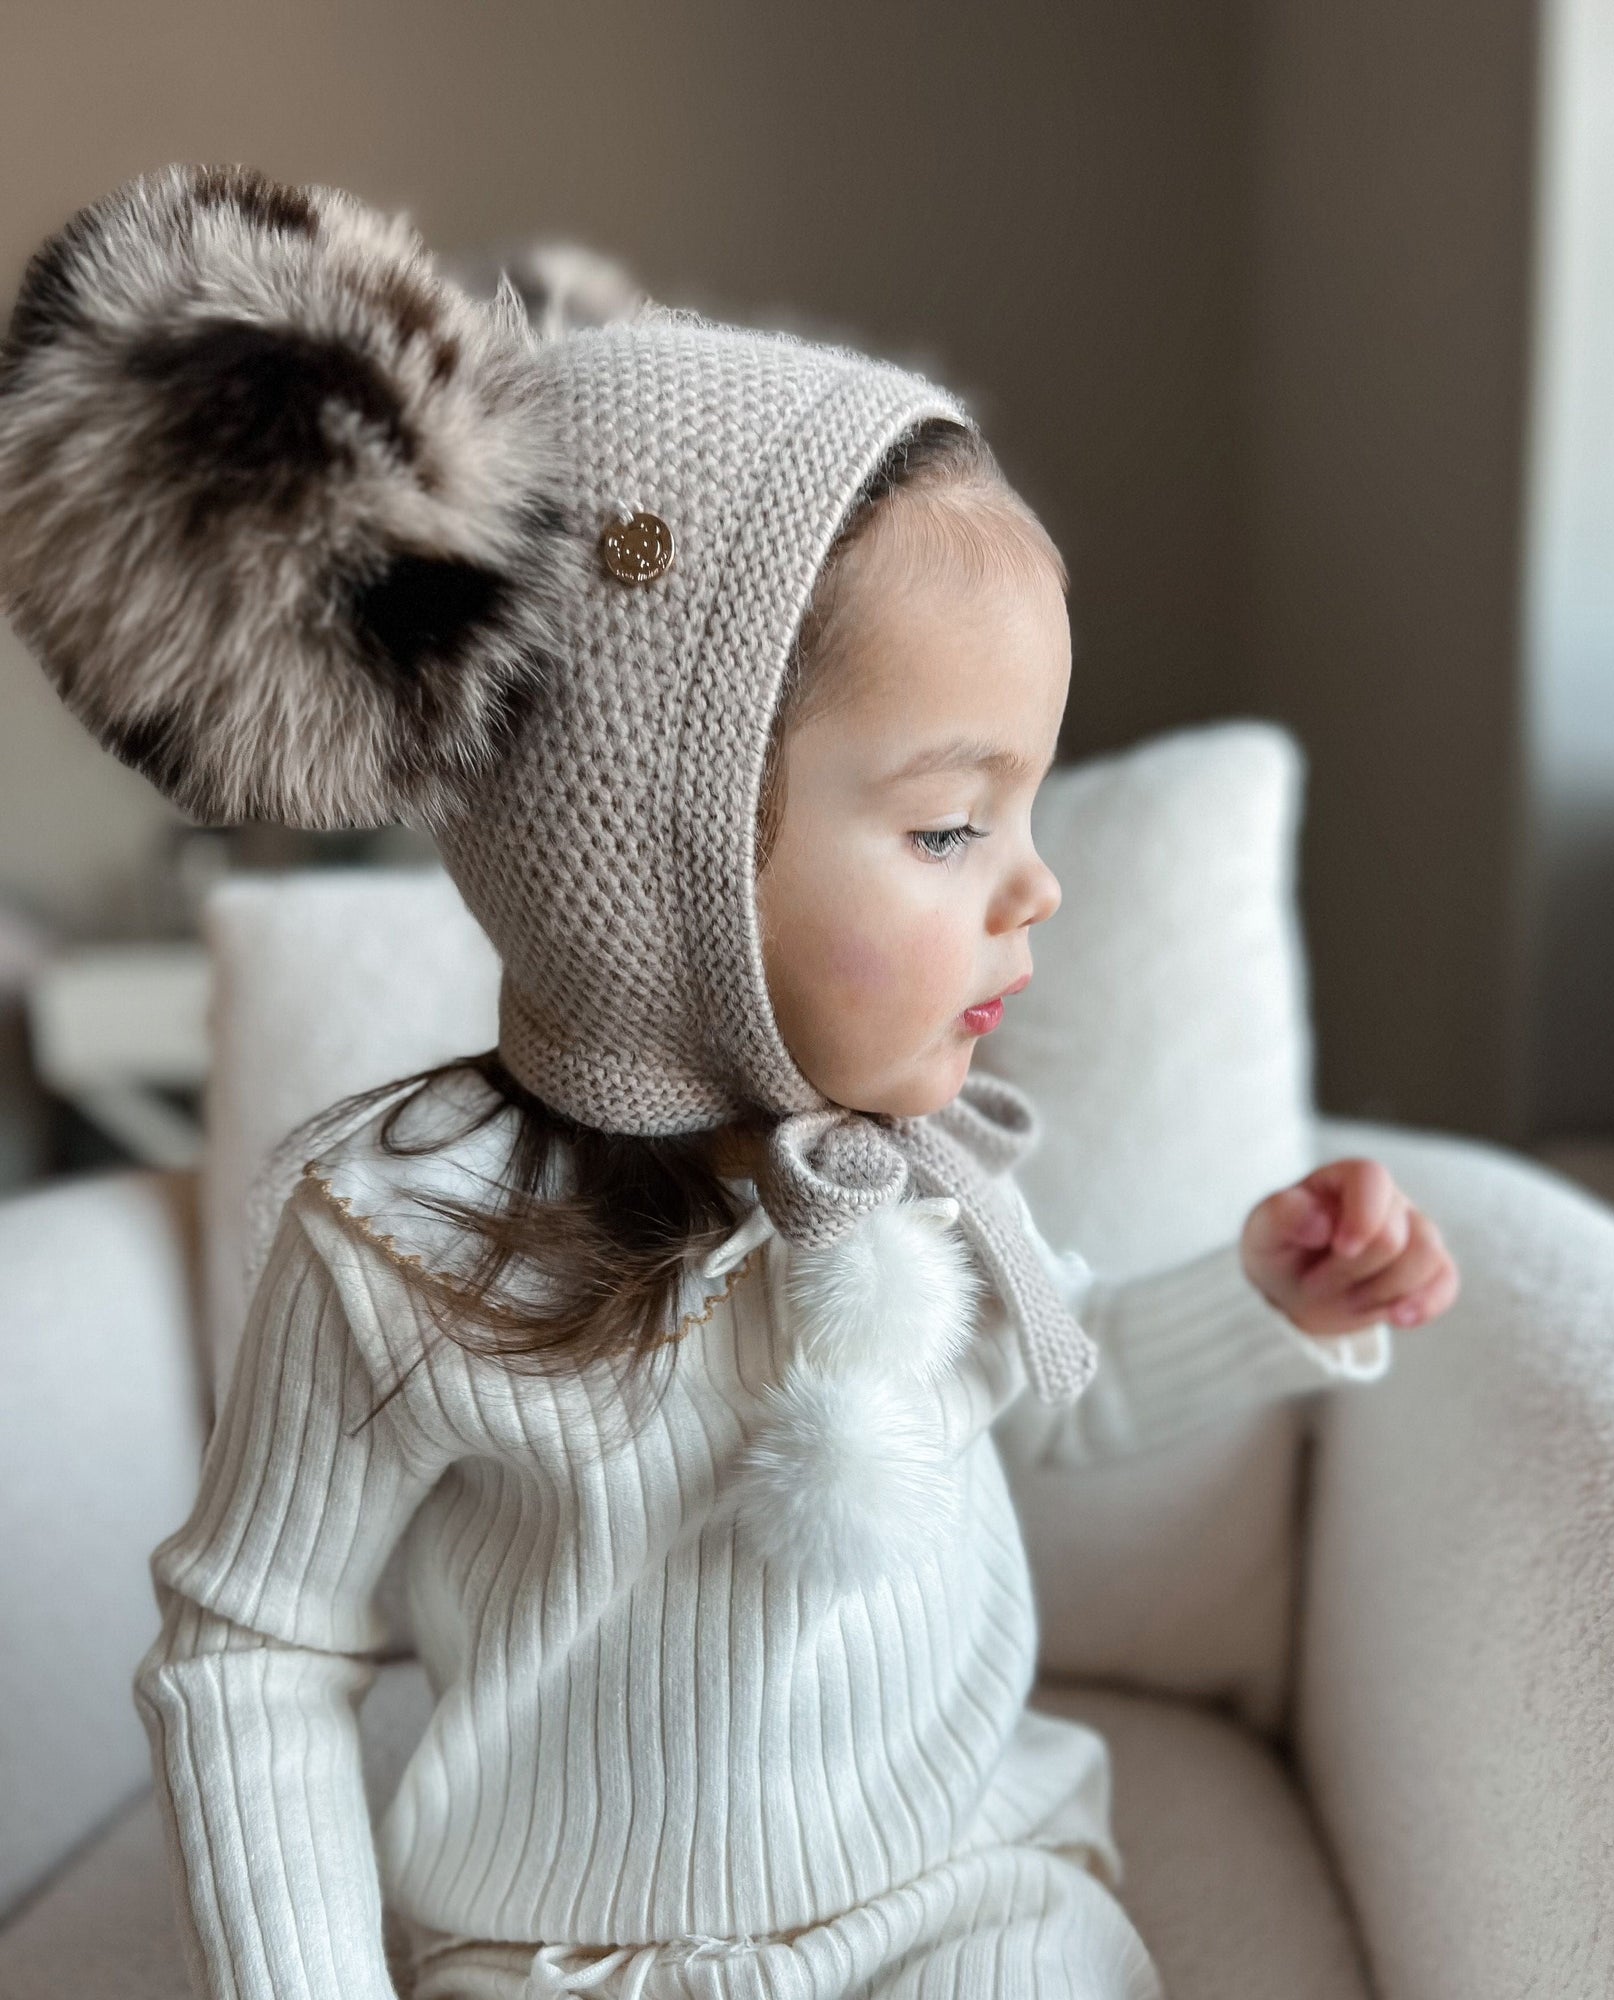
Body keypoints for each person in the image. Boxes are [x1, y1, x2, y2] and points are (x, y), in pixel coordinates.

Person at [0, 164, 1459, 2000]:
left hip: (958, 1891)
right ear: (659, 875)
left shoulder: (916, 1174)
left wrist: (1260, 1303)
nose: (1035, 886)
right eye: (947, 826)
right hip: (561, 1951)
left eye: (1023, 806)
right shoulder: (403, 1242)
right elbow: (252, 1652)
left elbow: (1053, 1383)